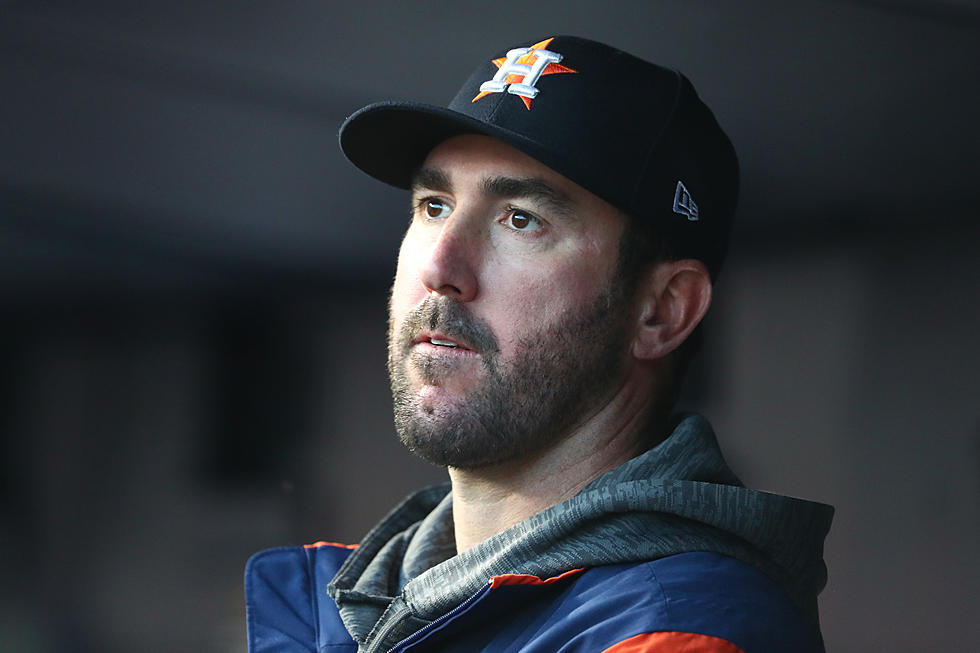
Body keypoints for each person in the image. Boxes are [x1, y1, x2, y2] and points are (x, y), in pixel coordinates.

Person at [244, 36, 834, 653]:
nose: (441, 267)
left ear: (662, 310)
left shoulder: (673, 632)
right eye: (434, 205)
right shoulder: (358, 608)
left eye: (521, 218)